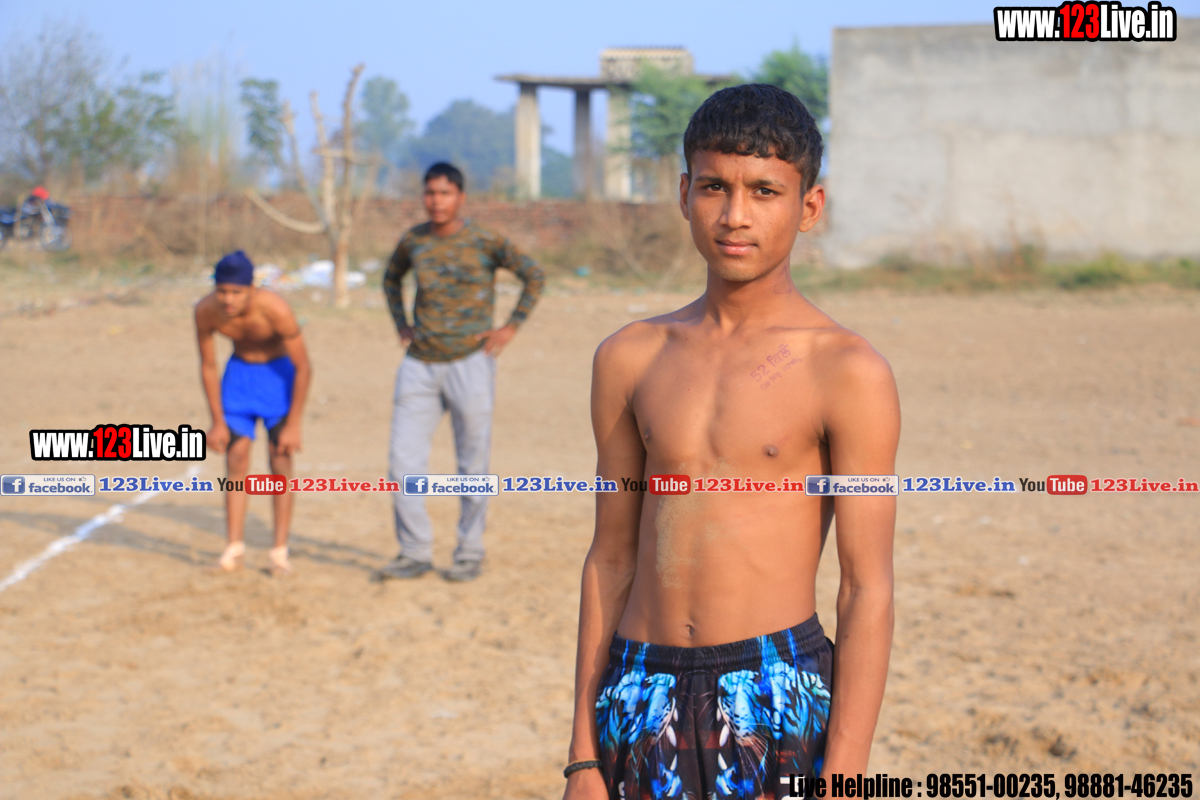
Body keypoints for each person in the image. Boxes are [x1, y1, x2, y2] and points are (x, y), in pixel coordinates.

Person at [562, 85, 900, 799]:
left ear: (809, 206)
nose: (735, 215)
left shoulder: (846, 370)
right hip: (637, 687)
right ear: (685, 193)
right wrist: (582, 757)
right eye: (715, 186)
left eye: (764, 191)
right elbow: (611, 555)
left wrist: (845, 772)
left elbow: (866, 586)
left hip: (774, 689)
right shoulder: (629, 357)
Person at [379, 162, 544, 583]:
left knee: (472, 466)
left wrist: (510, 327)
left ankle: (469, 552)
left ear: (460, 197)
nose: (436, 201)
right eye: (430, 193)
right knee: (402, 465)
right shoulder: (414, 240)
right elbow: (391, 280)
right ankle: (414, 551)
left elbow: (533, 275)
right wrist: (401, 323)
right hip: (419, 365)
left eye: (445, 193)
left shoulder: (484, 240)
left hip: (470, 363)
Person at [194, 250, 312, 576]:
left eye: (236, 292)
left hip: (278, 379)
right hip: (239, 380)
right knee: (235, 458)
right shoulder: (206, 311)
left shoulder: (276, 309)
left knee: (280, 461)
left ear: (251, 288)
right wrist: (216, 421)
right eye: (222, 291)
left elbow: (304, 367)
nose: (228, 300)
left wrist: (294, 424)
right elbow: (208, 365)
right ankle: (233, 550)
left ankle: (279, 553)